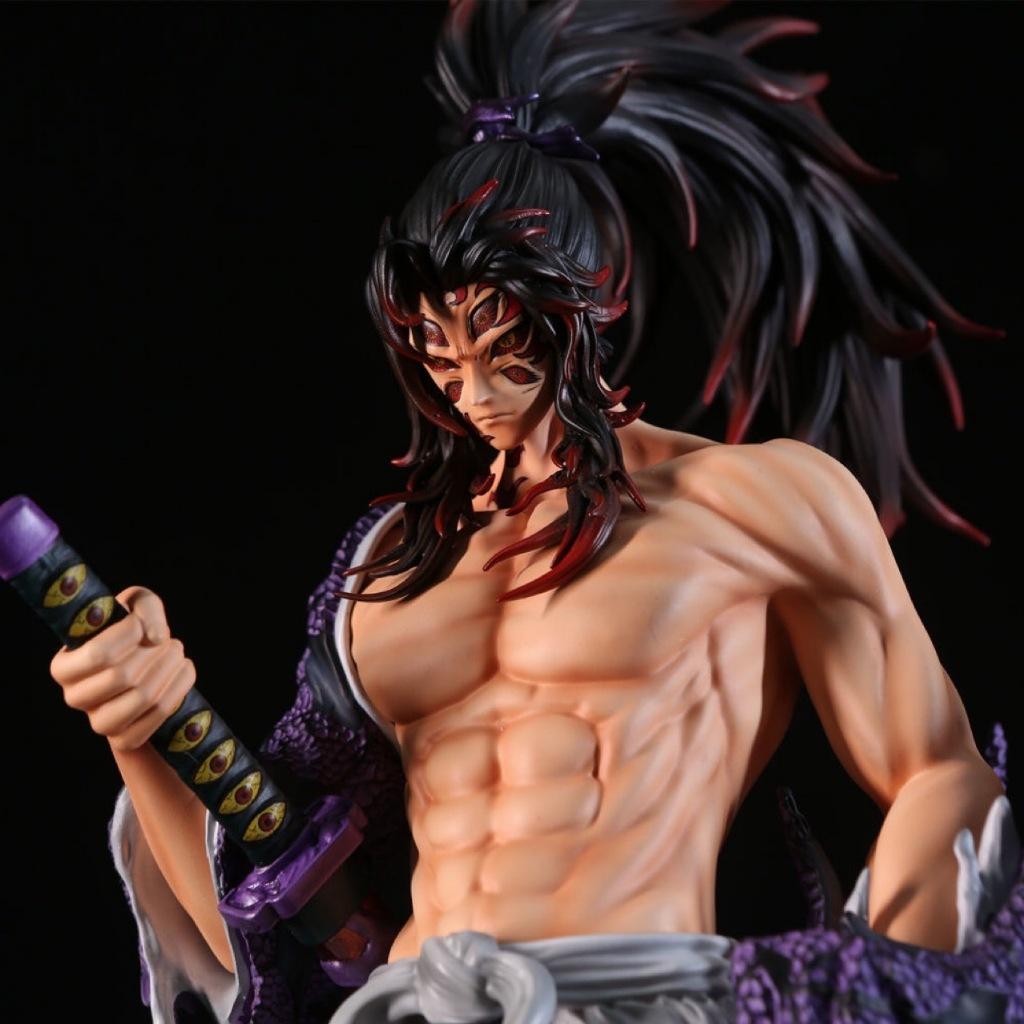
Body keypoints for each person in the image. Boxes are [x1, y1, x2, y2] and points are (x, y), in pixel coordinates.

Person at [44, 2, 1022, 1021]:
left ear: (584, 308)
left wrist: (883, 986)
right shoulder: (387, 569)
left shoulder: (752, 506)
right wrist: (143, 725)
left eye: (502, 345)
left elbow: (938, 777)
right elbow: (268, 911)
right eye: (437, 353)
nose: (470, 390)